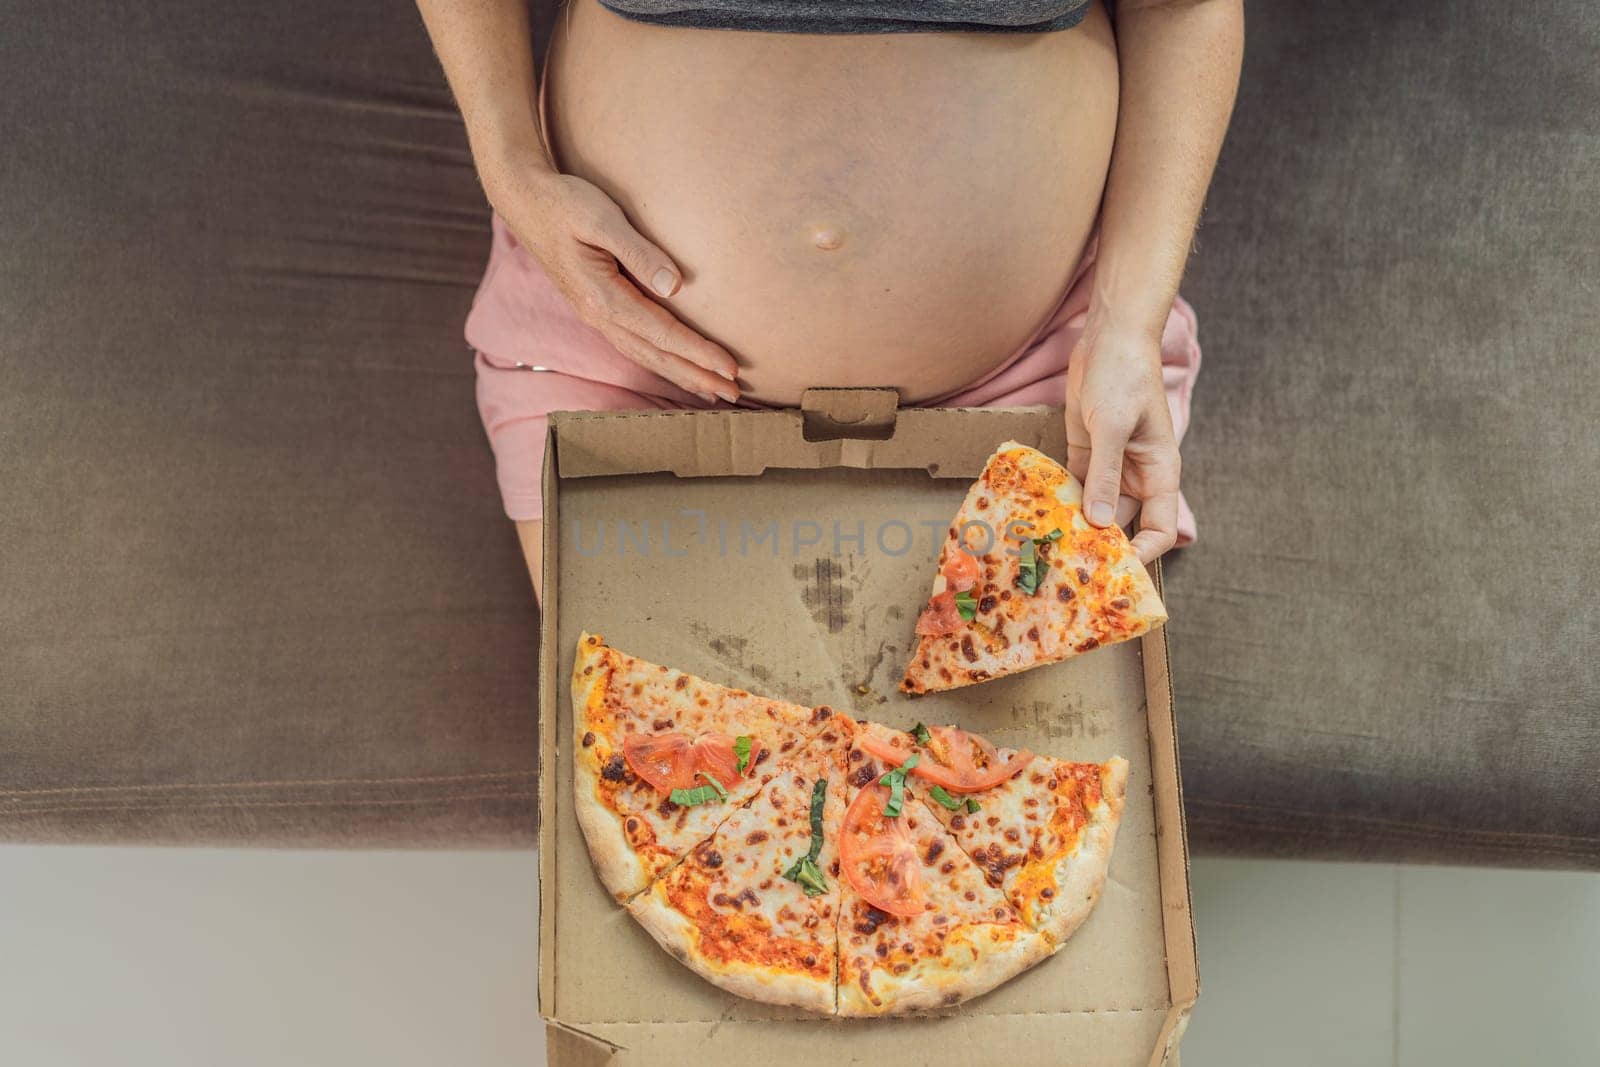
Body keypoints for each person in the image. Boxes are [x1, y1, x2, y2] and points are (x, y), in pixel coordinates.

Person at [417, 0, 1243, 601]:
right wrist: (512, 171)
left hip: (1047, 367)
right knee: (678, 800)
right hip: (617, 343)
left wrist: (1127, 322)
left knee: (999, 809)